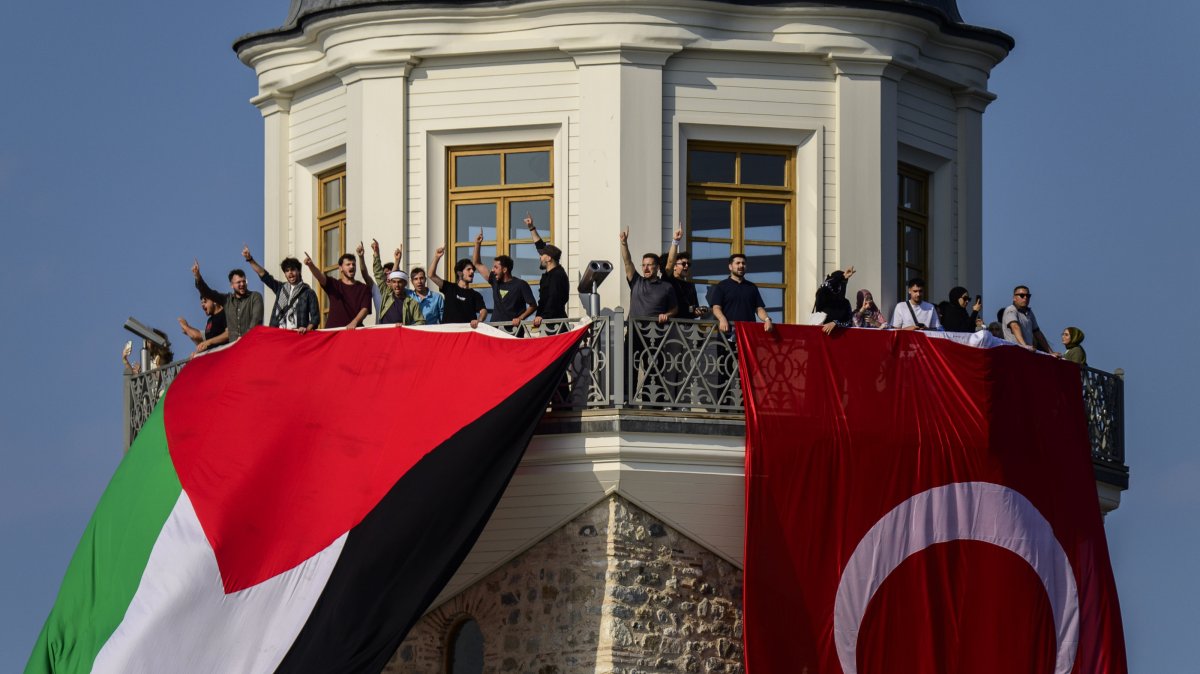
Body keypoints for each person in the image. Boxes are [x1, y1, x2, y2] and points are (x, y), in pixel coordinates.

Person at [242, 246, 319, 333]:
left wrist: (306, 331)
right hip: (278, 335)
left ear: (299, 271)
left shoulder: (308, 292)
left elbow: (315, 318)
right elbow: (263, 275)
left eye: (293, 269)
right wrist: (250, 259)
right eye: (287, 271)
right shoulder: (280, 288)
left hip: (297, 336)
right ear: (285, 274)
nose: (290, 272)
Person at [472, 231, 536, 326]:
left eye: (496, 267)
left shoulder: (521, 284)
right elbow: (477, 263)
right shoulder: (494, 280)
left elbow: (533, 306)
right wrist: (477, 243)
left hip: (514, 331)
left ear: (505, 269)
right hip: (496, 331)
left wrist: (520, 318)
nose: (493, 270)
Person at [193, 259, 264, 344]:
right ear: (232, 285)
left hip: (252, 345)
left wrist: (245, 339)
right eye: (238, 282)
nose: (242, 284)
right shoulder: (227, 300)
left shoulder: (255, 297)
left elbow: (256, 321)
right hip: (234, 350)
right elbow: (208, 293)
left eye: (243, 281)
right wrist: (198, 277)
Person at [619, 230, 678, 324]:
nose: (645, 268)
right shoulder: (636, 281)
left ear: (657, 267)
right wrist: (623, 243)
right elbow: (627, 262)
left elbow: (674, 309)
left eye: (649, 265)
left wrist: (666, 315)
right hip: (634, 334)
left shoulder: (666, 286)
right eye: (643, 265)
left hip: (655, 335)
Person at [304, 251, 371, 329]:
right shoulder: (334, 284)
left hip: (353, 332)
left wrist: (354, 322)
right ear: (341, 268)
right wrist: (311, 265)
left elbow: (365, 309)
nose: (352, 266)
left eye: (353, 264)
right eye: (348, 264)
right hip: (333, 332)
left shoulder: (364, 288)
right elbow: (320, 277)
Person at [709, 253, 774, 334]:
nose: (741, 265)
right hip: (727, 334)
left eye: (743, 263)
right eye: (738, 263)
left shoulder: (752, 287)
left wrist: (767, 319)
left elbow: (759, 308)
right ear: (730, 267)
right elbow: (716, 308)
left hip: (748, 334)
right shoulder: (722, 286)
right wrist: (722, 319)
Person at [525, 215, 568, 329]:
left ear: (548, 258)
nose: (540, 257)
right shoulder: (551, 273)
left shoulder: (557, 275)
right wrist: (531, 228)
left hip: (555, 324)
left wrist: (543, 317)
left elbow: (553, 298)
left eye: (542, 255)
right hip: (548, 322)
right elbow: (540, 246)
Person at [430, 247, 487, 327]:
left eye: (473, 270)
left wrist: (479, 320)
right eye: (468, 269)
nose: (472, 272)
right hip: (449, 334)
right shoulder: (449, 287)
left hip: (467, 334)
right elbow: (431, 275)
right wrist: (437, 257)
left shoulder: (475, 295)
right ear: (459, 273)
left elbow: (483, 311)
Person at [663, 228, 705, 319]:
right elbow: (670, 262)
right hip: (671, 326)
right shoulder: (668, 280)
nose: (686, 266)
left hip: (687, 328)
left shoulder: (690, 286)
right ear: (674, 266)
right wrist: (675, 241)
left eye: (688, 264)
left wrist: (698, 312)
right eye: (683, 264)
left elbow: (694, 310)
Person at [1002, 285, 1053, 352]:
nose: (1025, 298)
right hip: (1014, 352)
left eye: (1028, 296)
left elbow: (1037, 333)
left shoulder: (1029, 313)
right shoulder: (1011, 310)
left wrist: (1051, 352)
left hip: (1026, 352)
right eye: (1022, 295)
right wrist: (1025, 346)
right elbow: (1015, 326)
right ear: (1014, 298)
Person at [366, 239, 403, 316]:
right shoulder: (383, 289)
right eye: (386, 274)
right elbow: (378, 272)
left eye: (391, 273)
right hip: (383, 327)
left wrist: (397, 261)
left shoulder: (407, 294)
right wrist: (376, 253)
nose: (389, 277)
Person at [813, 268, 855, 334]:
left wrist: (835, 323)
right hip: (822, 339)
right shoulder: (823, 297)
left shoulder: (845, 303)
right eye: (841, 283)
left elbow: (849, 322)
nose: (843, 286)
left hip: (840, 341)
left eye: (845, 283)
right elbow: (823, 287)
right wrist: (842, 277)